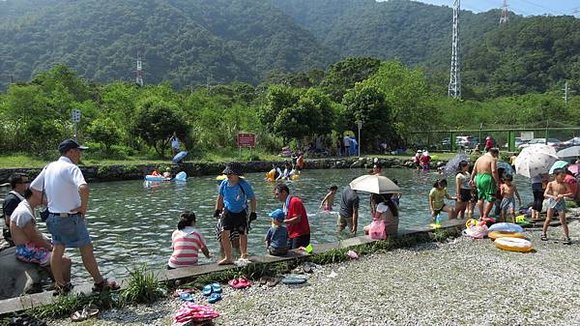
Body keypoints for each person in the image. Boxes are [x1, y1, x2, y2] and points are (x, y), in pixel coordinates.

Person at [30, 139, 119, 294]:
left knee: (57, 249)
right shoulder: (71, 168)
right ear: (70, 151)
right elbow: (84, 188)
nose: (80, 154)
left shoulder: (49, 167)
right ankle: (99, 283)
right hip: (70, 218)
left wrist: (48, 202)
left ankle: (61, 285)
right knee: (86, 249)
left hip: (53, 217)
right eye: (78, 151)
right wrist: (83, 209)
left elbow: (33, 187)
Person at [10, 188, 72, 283]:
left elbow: (35, 234)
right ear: (35, 195)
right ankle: (65, 286)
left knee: (59, 247)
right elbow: (34, 238)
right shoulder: (24, 213)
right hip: (26, 250)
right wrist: (51, 247)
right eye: (44, 195)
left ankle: (57, 282)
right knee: (65, 260)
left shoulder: (26, 207)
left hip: (29, 246)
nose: (47, 198)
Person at [214, 162, 257, 265]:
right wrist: (217, 209)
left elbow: (252, 198)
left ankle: (243, 254)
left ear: (237, 175)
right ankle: (228, 257)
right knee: (224, 234)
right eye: (227, 174)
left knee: (242, 233)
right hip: (228, 211)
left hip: (241, 211)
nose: (228, 176)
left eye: (231, 174)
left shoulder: (243, 184)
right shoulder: (224, 183)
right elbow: (220, 197)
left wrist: (253, 212)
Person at [274, 183, 310, 249]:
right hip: (292, 234)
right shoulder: (285, 204)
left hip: (300, 234)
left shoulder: (295, 201)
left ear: (284, 192)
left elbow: (297, 219)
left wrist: (282, 222)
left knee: (297, 256)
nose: (276, 197)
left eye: (277, 194)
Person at [542, 169, 573, 244]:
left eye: (564, 176)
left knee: (563, 220)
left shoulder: (565, 184)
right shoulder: (551, 183)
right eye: (561, 176)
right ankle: (543, 233)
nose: (563, 178)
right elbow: (545, 194)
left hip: (560, 202)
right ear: (556, 176)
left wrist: (563, 195)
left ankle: (567, 237)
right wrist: (552, 196)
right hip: (552, 201)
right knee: (548, 219)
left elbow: (571, 193)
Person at [469, 147, 500, 220]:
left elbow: (474, 170)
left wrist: (471, 179)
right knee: (491, 198)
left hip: (478, 178)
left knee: (480, 197)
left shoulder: (479, 159)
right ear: (494, 153)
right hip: (487, 178)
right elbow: (494, 171)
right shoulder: (492, 159)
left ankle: (481, 215)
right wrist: (497, 182)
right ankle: (485, 216)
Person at [2, 173, 29, 247]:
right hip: (15, 235)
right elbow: (8, 220)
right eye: (26, 182)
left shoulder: (20, 197)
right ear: (17, 185)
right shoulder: (12, 200)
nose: (28, 184)